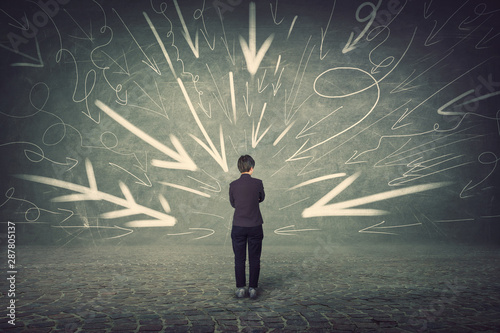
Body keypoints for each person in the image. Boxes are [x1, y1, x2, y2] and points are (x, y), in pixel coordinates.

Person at [229, 155, 265, 299]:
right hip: (255, 224)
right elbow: (261, 198)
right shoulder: (258, 183)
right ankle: (253, 288)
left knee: (239, 258)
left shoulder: (233, 185)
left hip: (238, 225)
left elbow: (233, 203)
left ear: (239, 168)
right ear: (252, 168)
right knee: (255, 258)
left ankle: (240, 288)